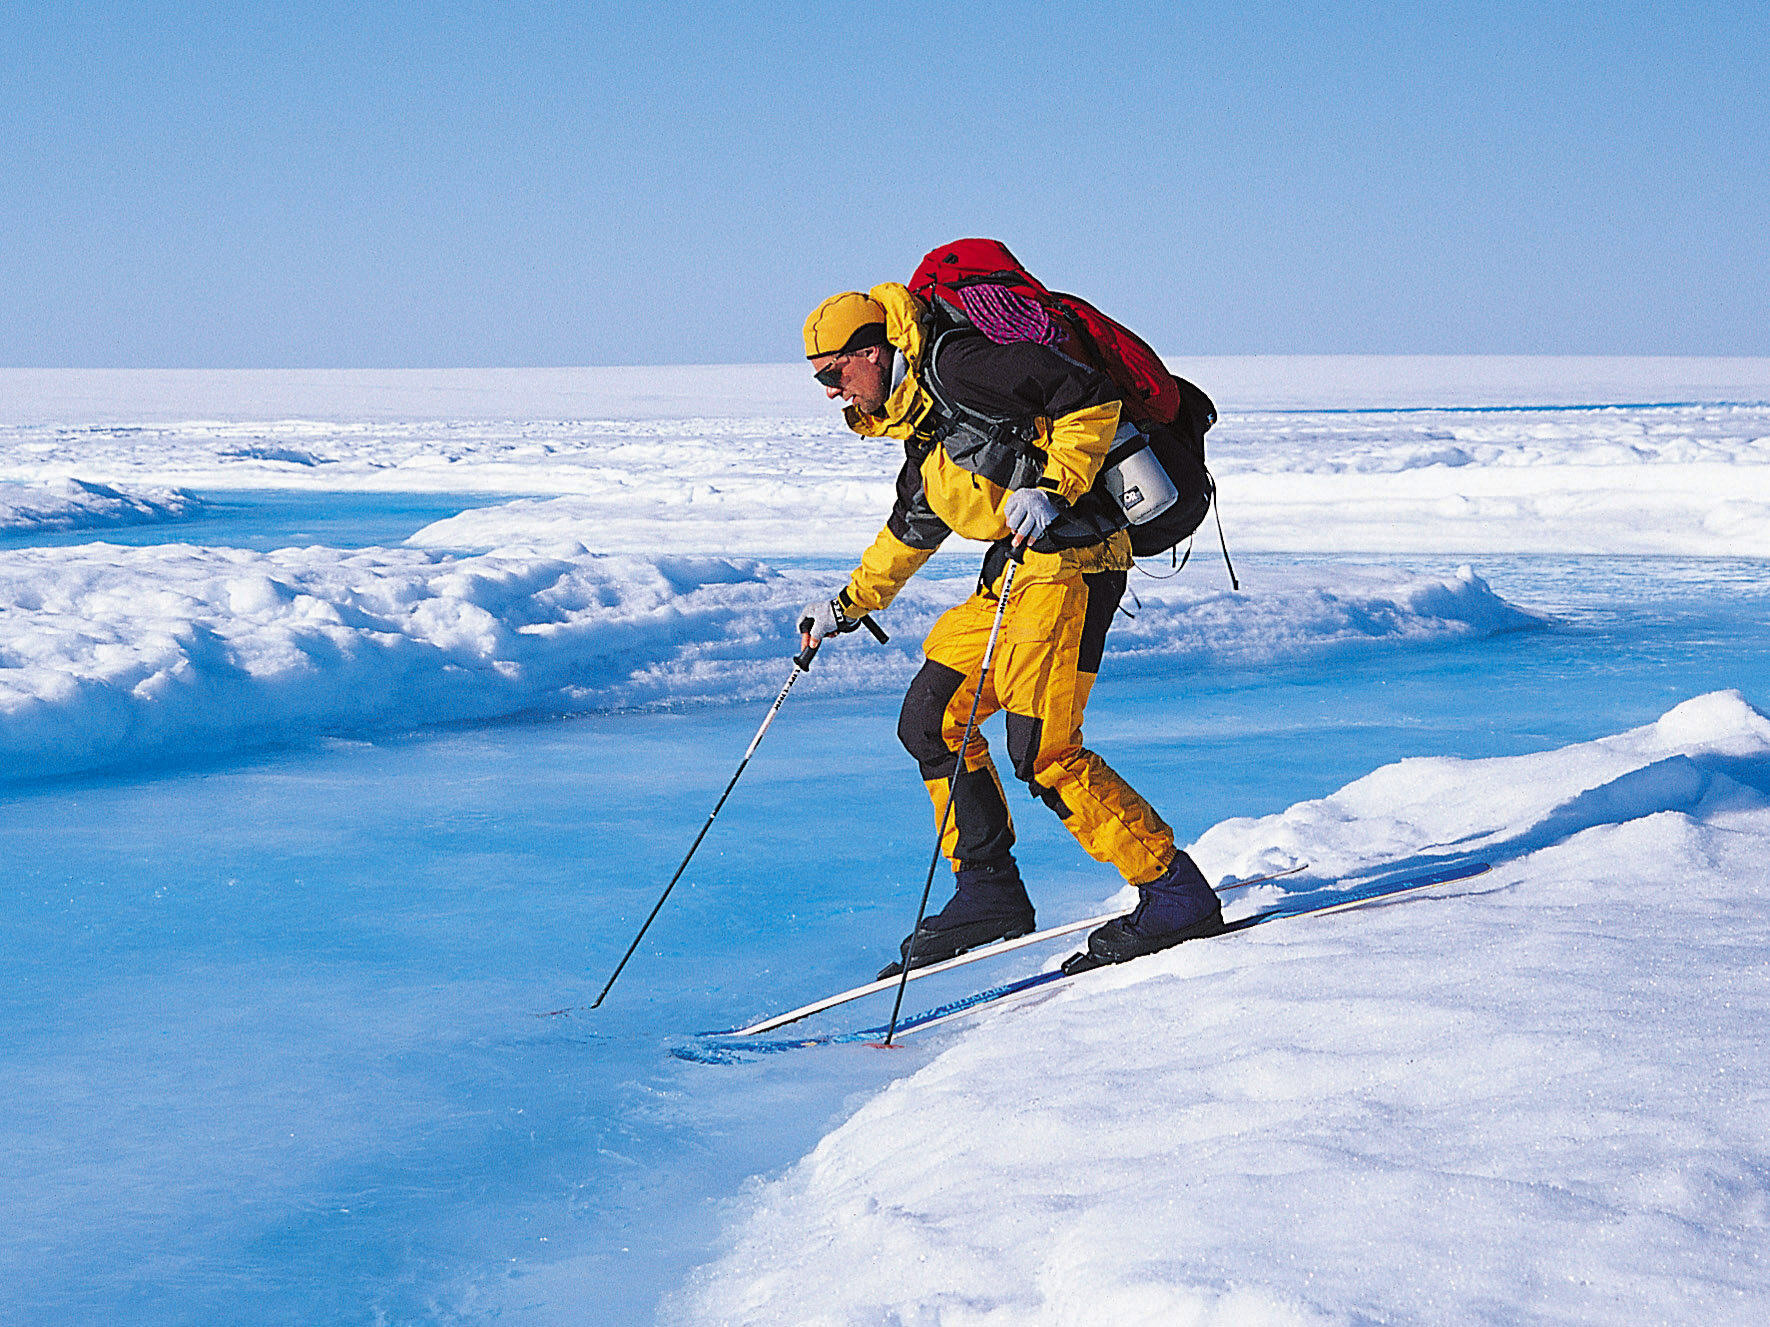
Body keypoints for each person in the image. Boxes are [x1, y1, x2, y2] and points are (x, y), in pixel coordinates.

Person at [798, 280, 1224, 977]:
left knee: (1045, 750)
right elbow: (911, 528)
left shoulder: (961, 365)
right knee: (934, 717)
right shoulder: (929, 421)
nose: (830, 389)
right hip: (1017, 576)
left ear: (870, 352)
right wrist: (846, 604)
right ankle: (988, 892)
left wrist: (1053, 486)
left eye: (832, 372)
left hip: (1073, 563)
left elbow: (1087, 396)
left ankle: (1174, 893)